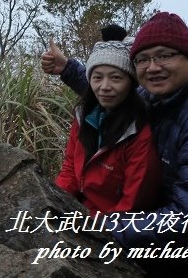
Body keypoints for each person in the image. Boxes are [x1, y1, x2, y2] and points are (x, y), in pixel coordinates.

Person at [42, 12, 188, 278]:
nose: (153, 67)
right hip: (167, 226)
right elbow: (111, 91)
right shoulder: (161, 97)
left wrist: (99, 230)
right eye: (142, 60)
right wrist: (68, 68)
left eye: (164, 56)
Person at [54, 28, 161, 215]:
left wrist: (90, 228)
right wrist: (54, 203)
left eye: (116, 78)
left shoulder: (138, 132)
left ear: (131, 83)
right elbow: (70, 169)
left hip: (110, 227)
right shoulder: (84, 117)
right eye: (97, 77)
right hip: (79, 211)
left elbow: (132, 205)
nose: (104, 87)